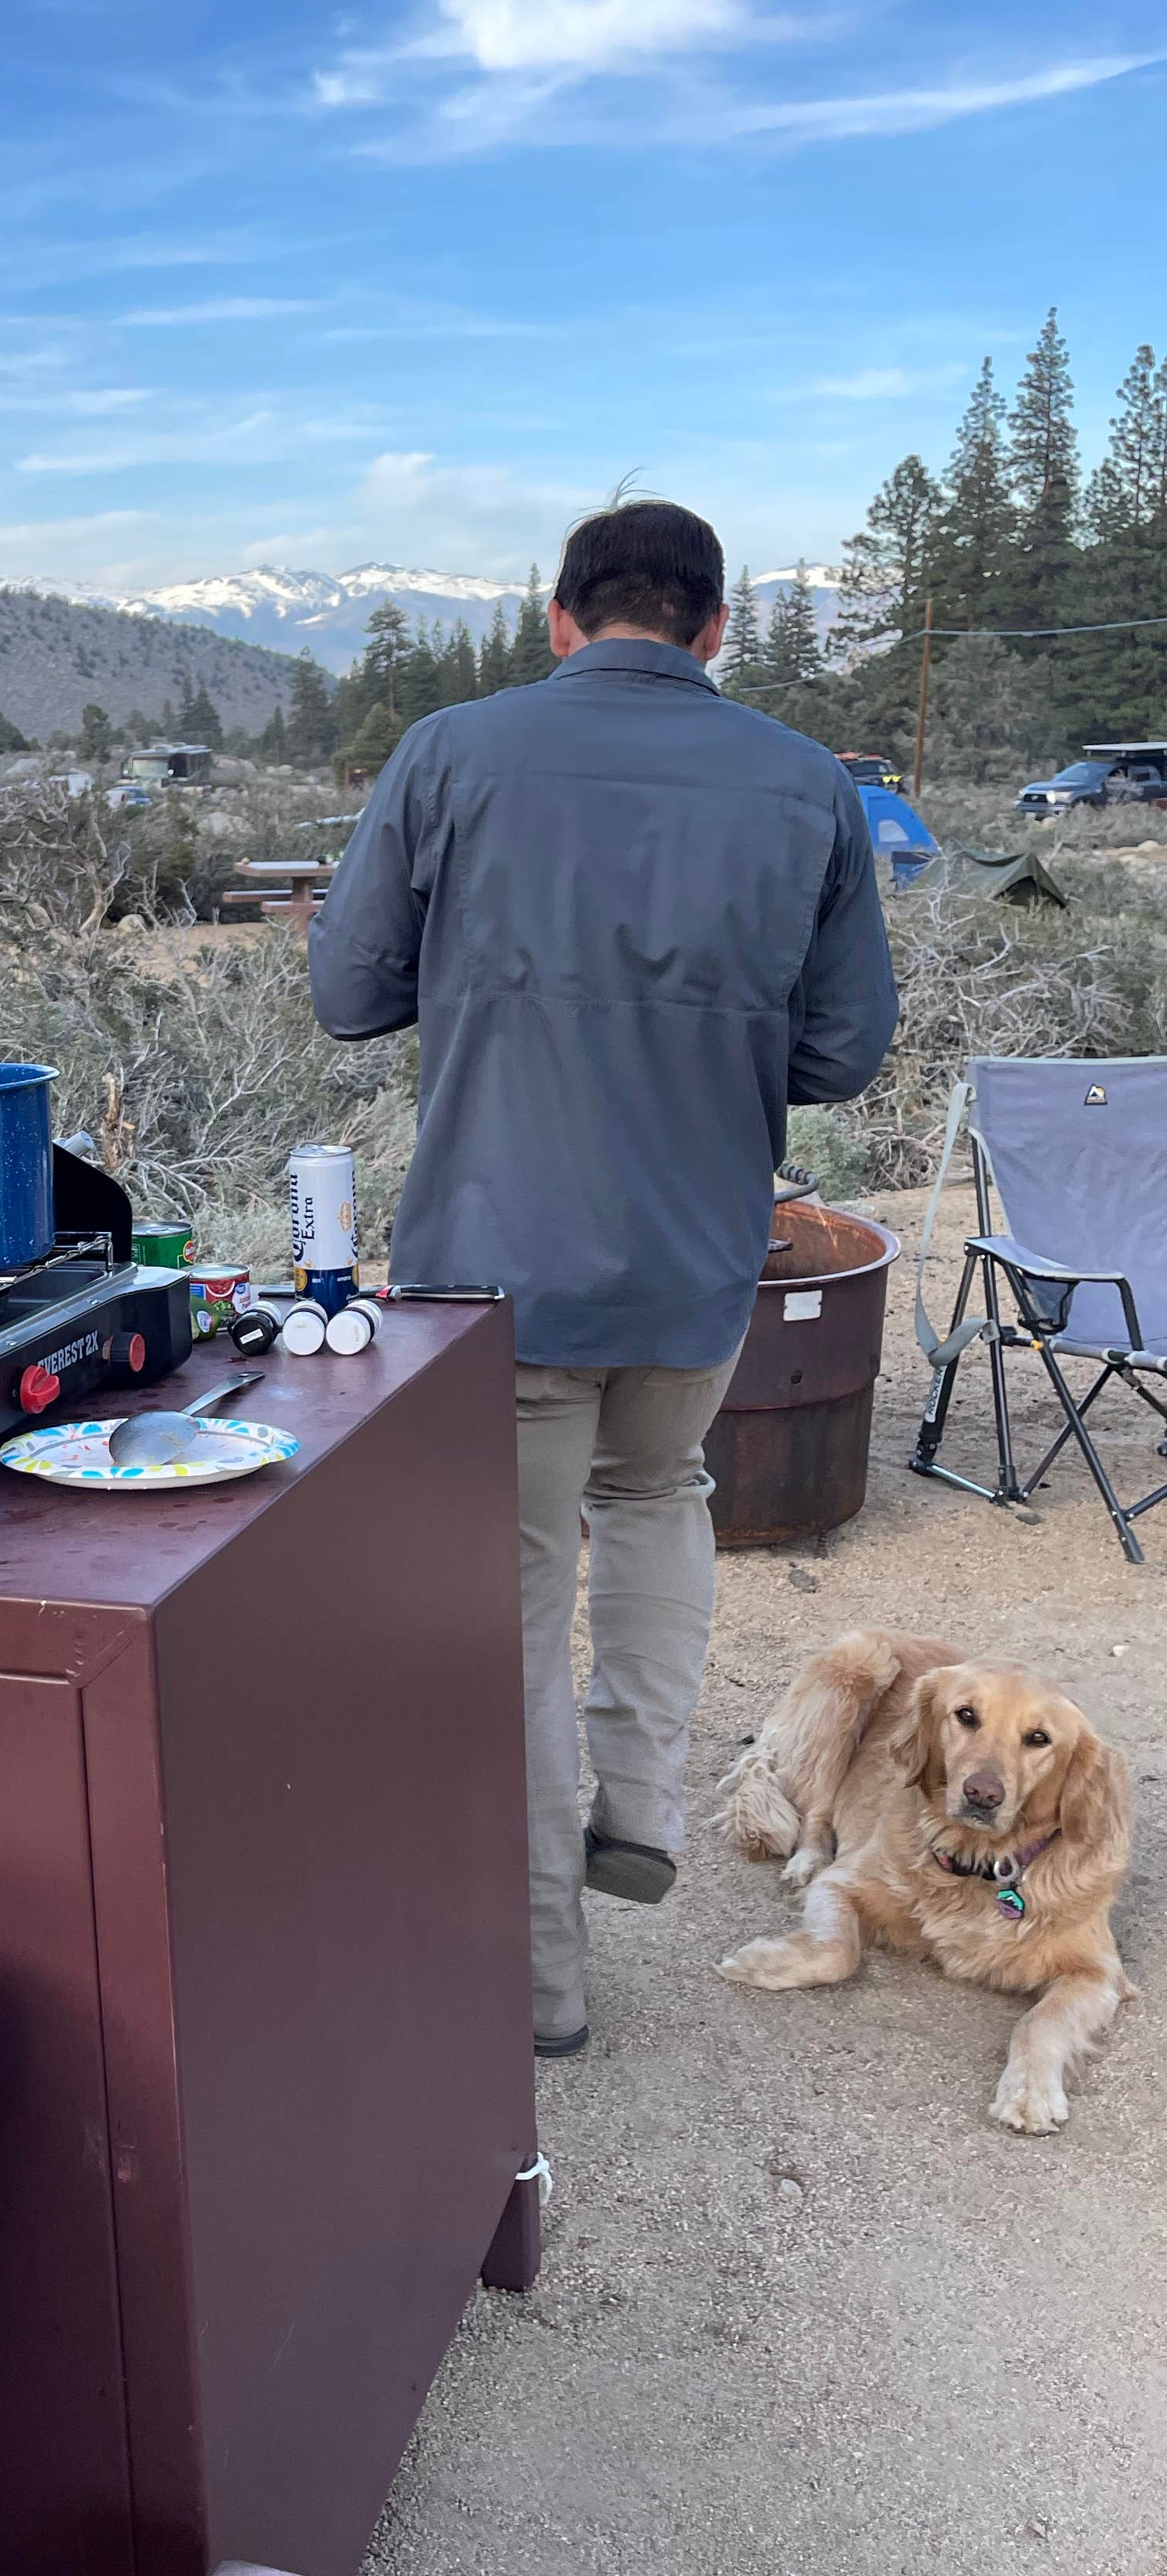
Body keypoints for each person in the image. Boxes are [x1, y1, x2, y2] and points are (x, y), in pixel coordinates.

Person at [307, 500, 899, 2057]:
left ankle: (549, 1988)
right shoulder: (807, 783)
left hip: (494, 1268)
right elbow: (844, 1051)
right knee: (660, 1497)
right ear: (716, 630)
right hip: (701, 1258)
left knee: (509, 1590)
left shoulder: (450, 752)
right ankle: (637, 1807)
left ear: (561, 620)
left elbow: (346, 992)